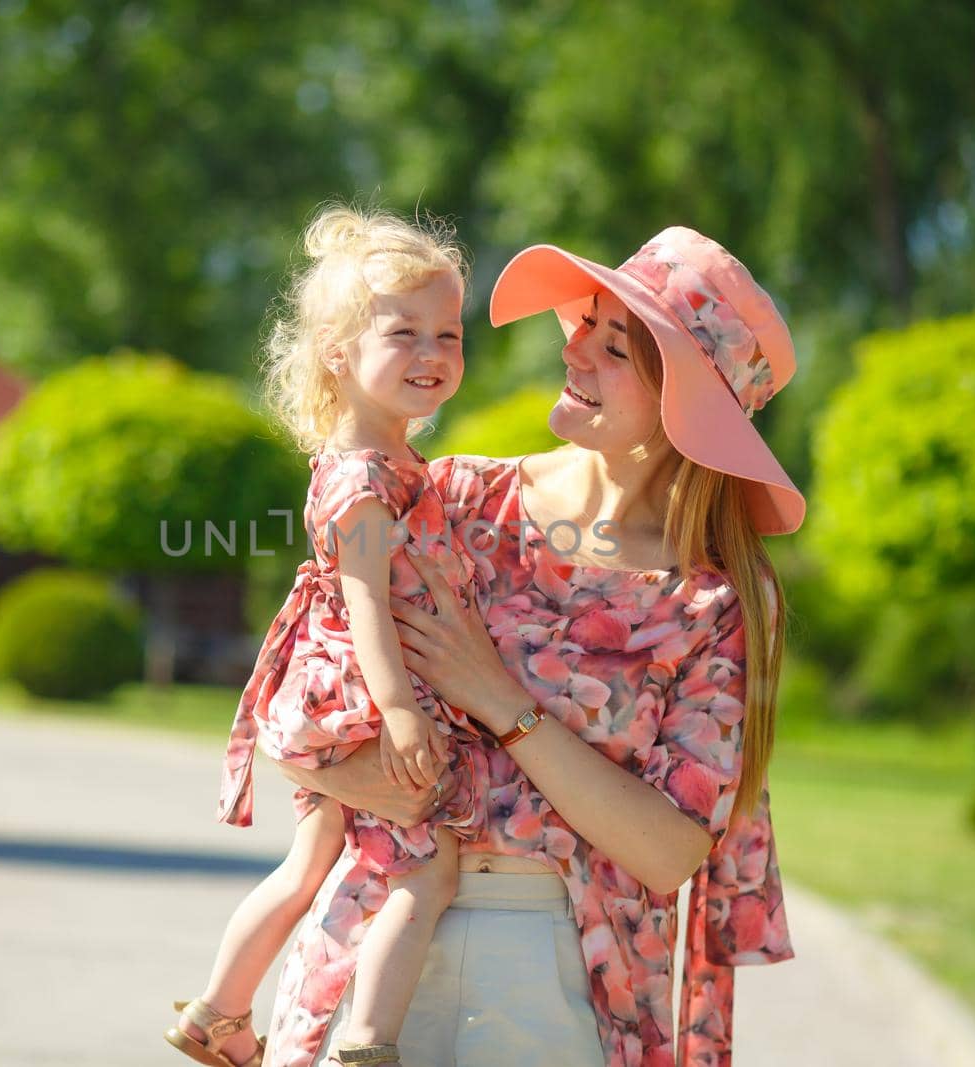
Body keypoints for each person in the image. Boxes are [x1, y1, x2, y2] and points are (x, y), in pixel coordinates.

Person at [259, 226, 801, 1067]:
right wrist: (367, 782)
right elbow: (289, 709)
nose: (573, 348)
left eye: (613, 344)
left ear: (682, 406)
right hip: (376, 944)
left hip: (565, 982)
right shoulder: (456, 498)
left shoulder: (715, 596)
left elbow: (669, 852)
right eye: (584, 325)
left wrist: (502, 700)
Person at [166, 206, 491, 1067]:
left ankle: (220, 1010)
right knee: (428, 870)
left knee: (312, 862)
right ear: (339, 354)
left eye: (449, 335)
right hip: (365, 691)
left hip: (326, 687)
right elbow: (368, 602)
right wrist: (401, 711)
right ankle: (367, 1040)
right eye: (405, 334)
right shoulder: (368, 477)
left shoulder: (370, 458)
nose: (433, 355)